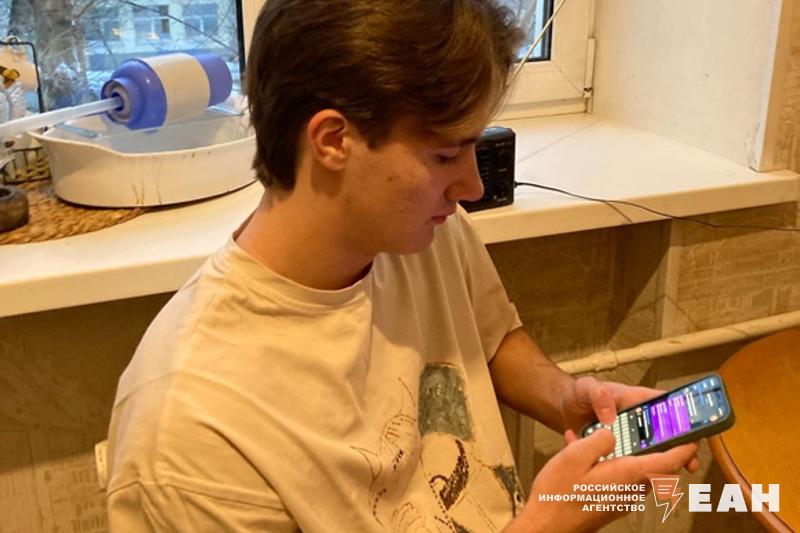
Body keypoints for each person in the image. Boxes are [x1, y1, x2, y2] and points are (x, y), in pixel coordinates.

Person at [104, 0, 699, 531]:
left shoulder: (419, 232)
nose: (470, 187)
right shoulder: (187, 434)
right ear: (332, 141)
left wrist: (566, 398)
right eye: (446, 155)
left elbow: (490, 339)